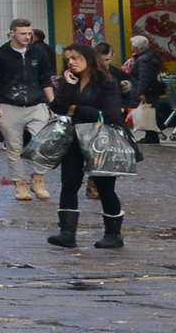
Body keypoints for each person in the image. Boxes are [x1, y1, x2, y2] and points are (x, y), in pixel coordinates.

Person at [44, 42, 128, 249]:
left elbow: (111, 115)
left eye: (75, 58)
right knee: (69, 183)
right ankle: (67, 233)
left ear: (88, 59)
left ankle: (113, 234)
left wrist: (77, 108)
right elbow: (57, 107)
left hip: (100, 139)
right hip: (74, 138)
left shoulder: (106, 82)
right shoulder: (70, 81)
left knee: (104, 187)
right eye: (68, 59)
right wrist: (69, 86)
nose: (71, 63)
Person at [0, 18, 56, 201]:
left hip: (37, 104)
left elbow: (46, 79)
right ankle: (20, 184)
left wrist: (54, 104)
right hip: (10, 106)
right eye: (23, 33)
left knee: (44, 144)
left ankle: (38, 179)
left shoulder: (39, 53)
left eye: (29, 33)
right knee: (14, 148)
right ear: (12, 34)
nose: (27, 37)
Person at [125, 34, 167, 143]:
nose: (132, 48)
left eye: (133, 46)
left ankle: (152, 135)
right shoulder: (149, 57)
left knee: (147, 112)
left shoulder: (144, 60)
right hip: (151, 90)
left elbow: (144, 77)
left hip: (147, 91)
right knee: (148, 112)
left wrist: (141, 92)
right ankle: (152, 135)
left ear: (137, 48)